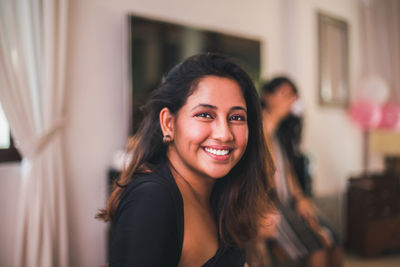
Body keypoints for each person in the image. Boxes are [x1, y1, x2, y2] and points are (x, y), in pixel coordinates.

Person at [96, 53, 275, 267]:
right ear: (168, 123)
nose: (224, 134)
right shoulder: (152, 199)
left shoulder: (222, 191)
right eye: (205, 114)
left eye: (236, 117)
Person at [260, 76, 343, 267]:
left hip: (290, 201)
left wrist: (300, 198)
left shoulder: (282, 132)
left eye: (293, 95)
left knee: (333, 239)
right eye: (284, 94)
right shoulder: (257, 129)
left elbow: (288, 173)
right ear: (268, 97)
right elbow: (264, 176)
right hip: (270, 205)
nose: (291, 99)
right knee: (317, 247)